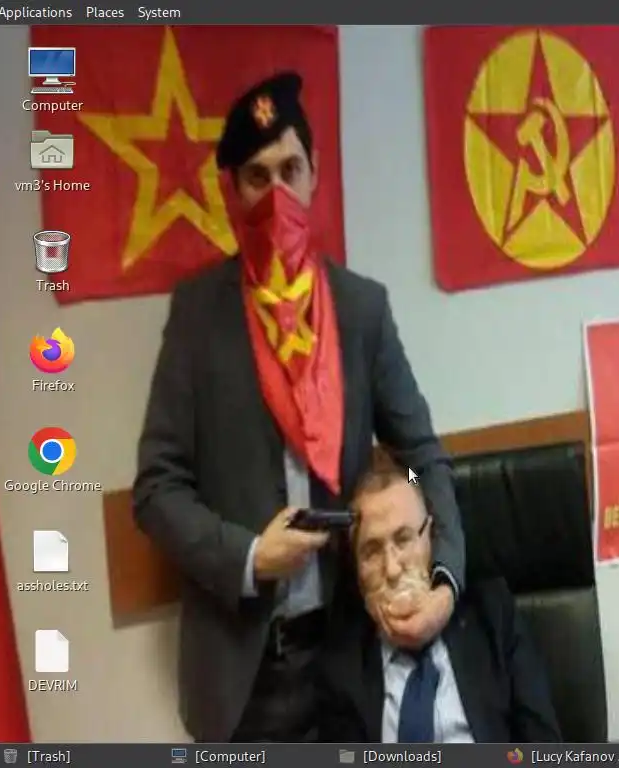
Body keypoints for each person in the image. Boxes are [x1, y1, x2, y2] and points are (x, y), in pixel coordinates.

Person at [132, 72, 466, 744]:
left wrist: (443, 581)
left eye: (291, 170)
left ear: (315, 174)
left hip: (353, 652)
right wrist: (251, 555)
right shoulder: (198, 316)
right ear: (233, 190)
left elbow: (421, 457)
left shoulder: (360, 310)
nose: (277, 195)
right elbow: (157, 490)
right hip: (243, 678)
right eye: (258, 177)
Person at [315, 466, 562, 743]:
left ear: (431, 538)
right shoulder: (341, 664)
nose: (393, 569)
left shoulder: (493, 617)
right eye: (371, 552)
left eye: (404, 539)